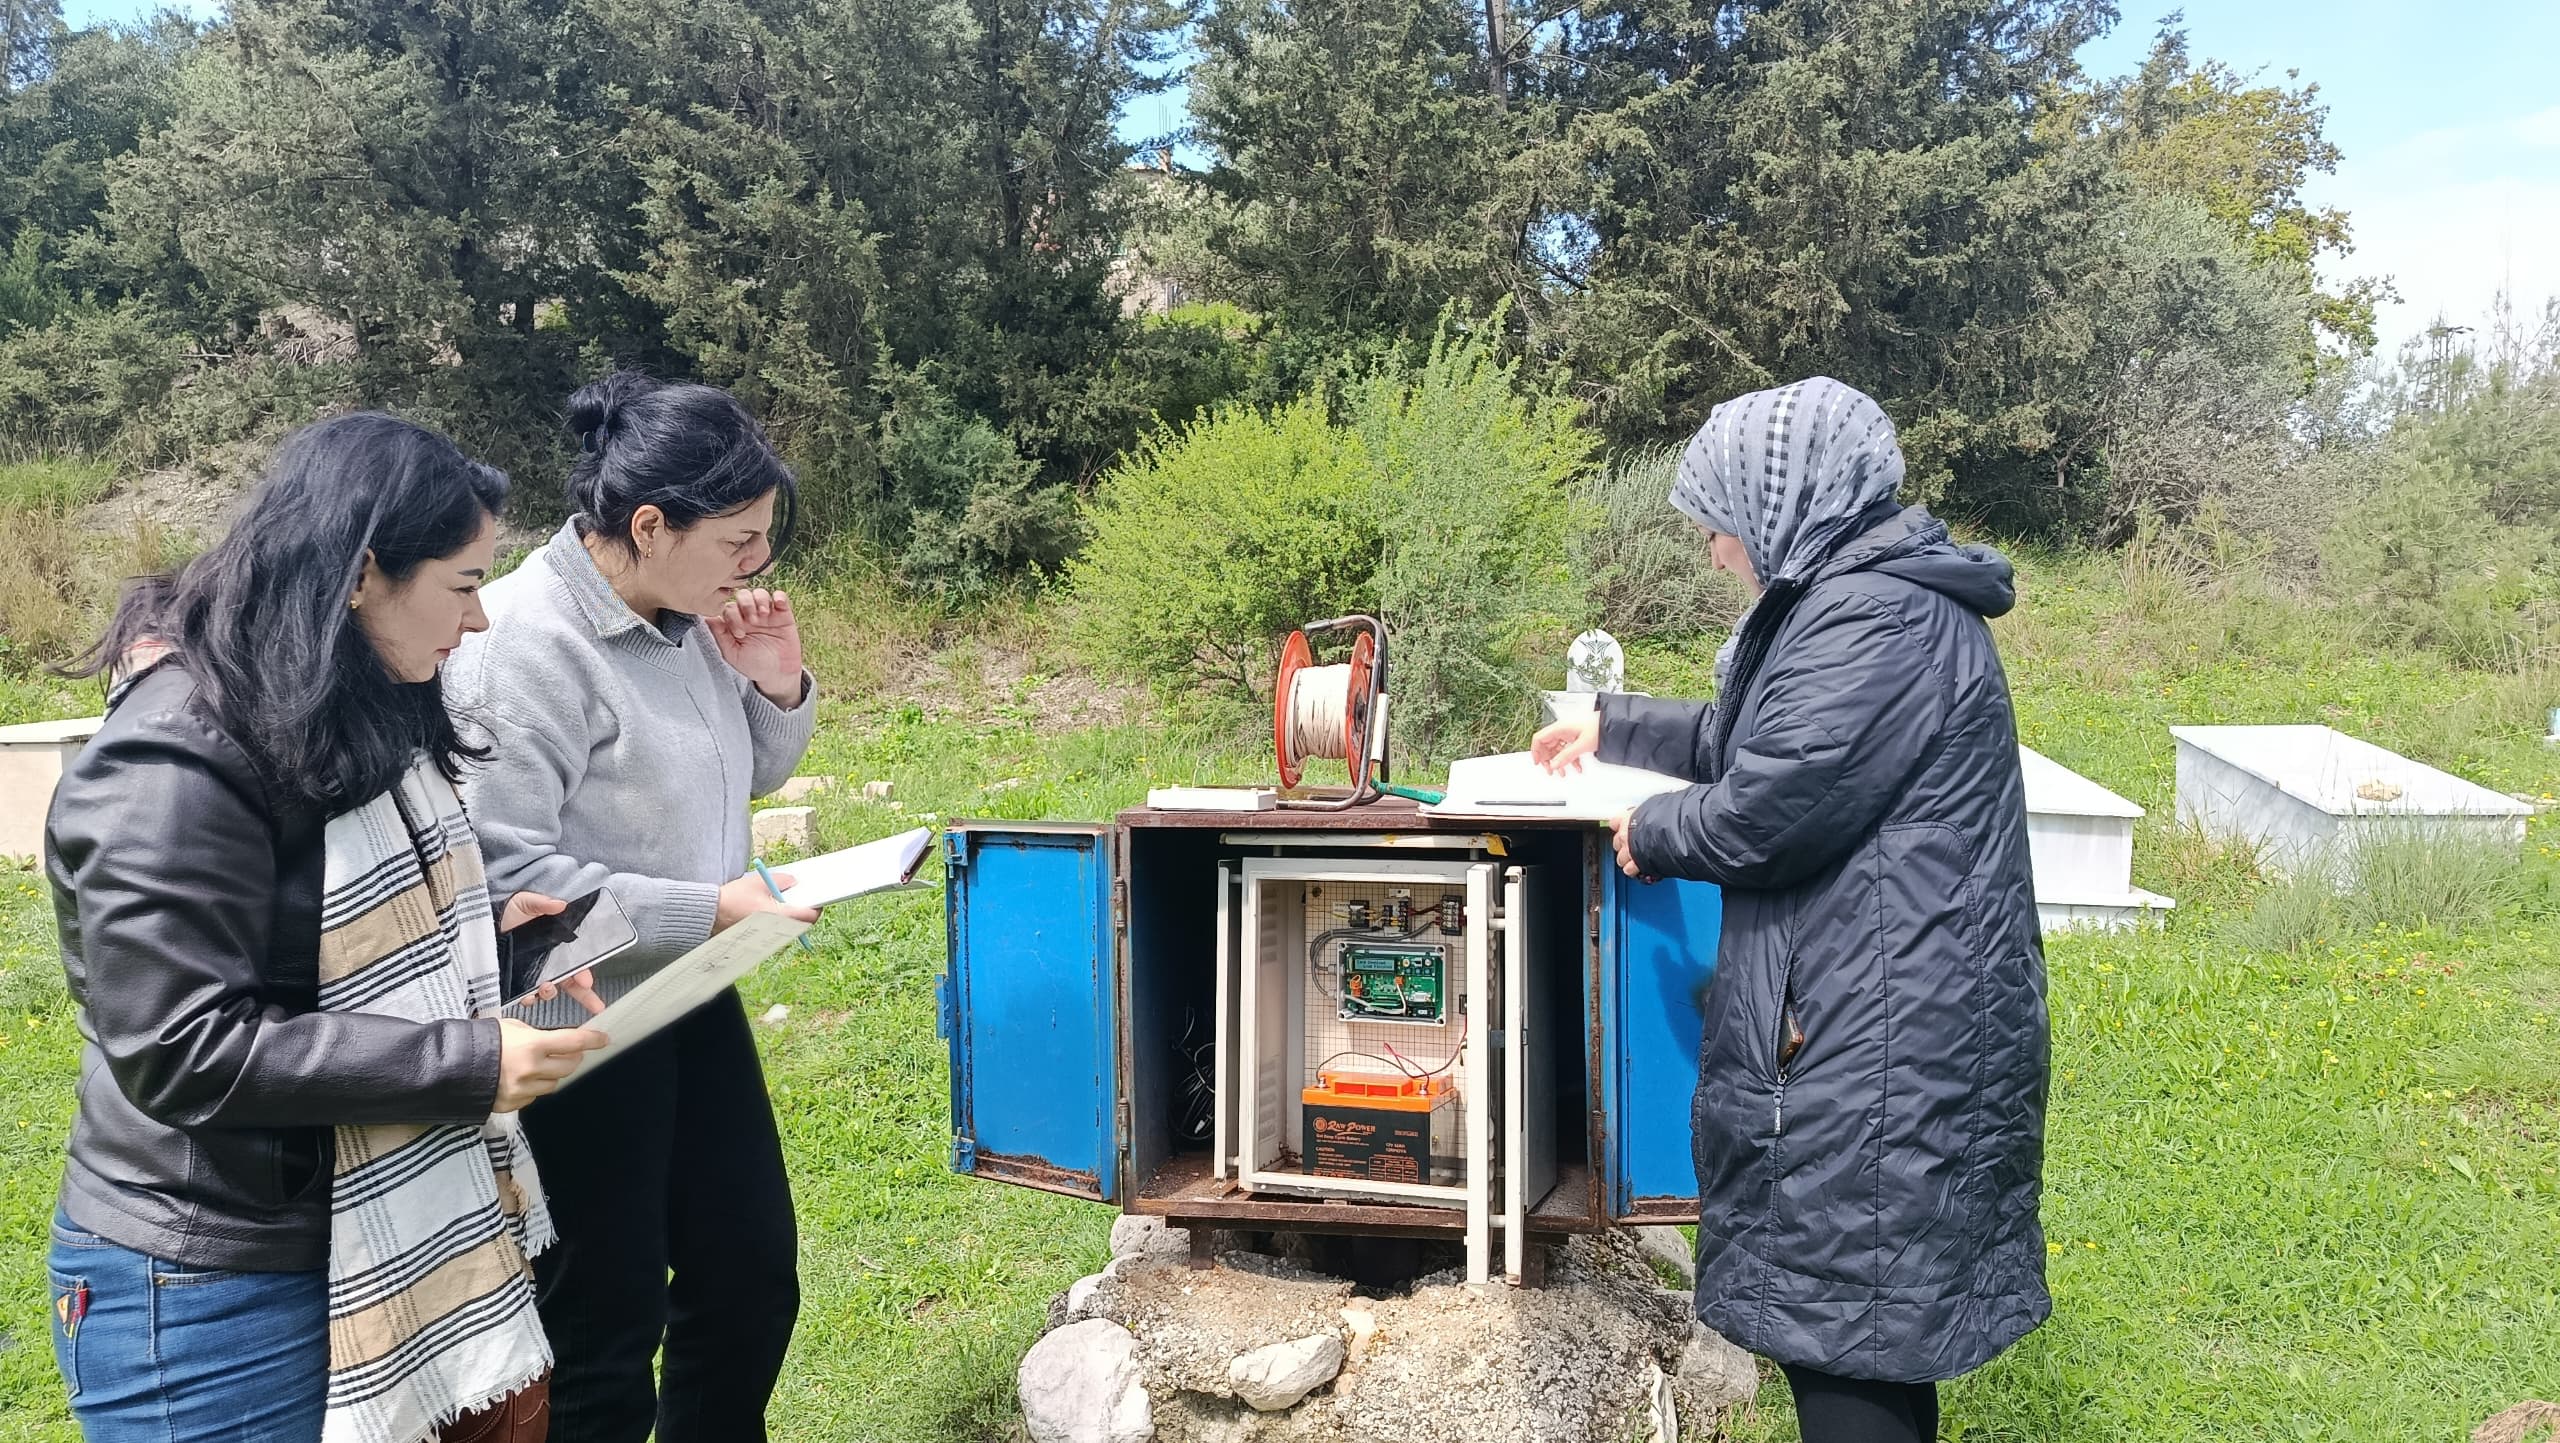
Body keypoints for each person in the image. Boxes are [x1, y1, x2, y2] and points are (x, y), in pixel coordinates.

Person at [43, 413, 609, 1443]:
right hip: (213, 1285)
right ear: (359, 576)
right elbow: (181, 1047)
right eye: (465, 583)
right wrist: (466, 1059)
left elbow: (328, 929)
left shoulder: (338, 699)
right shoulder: (171, 761)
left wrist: (492, 933)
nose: (478, 623)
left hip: (334, 1241)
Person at [1534, 378, 2049, 1443]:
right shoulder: (1861, 601)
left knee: (1848, 1328)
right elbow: (1756, 740)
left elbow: (1769, 810)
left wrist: (1657, 829)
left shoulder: (1871, 616)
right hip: (1890, 1012)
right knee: (1866, 1323)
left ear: (1785, 505)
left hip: (1880, 1039)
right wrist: (1611, 724)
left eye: (1724, 524)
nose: (1718, 550)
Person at [444, 372, 822, 1443]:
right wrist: (706, 903)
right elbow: (500, 865)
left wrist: (776, 684)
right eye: (737, 540)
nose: (755, 565)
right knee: (603, 1314)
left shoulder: (686, 613)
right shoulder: (520, 642)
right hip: (570, 1005)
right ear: (648, 525)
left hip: (688, 987)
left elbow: (750, 773)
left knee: (748, 1274)